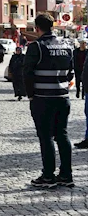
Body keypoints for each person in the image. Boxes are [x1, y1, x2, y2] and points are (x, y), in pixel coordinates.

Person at [23, 13, 74, 188]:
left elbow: (27, 73)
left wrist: (30, 95)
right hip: (62, 97)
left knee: (45, 137)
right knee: (62, 135)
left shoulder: (36, 46)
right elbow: (71, 72)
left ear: (37, 28)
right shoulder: (66, 45)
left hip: (43, 98)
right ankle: (66, 175)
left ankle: (48, 176)